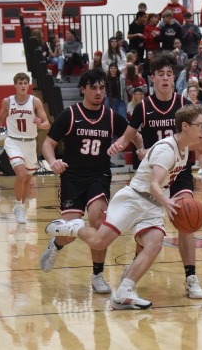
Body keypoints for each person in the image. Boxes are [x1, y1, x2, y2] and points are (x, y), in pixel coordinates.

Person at [46, 103, 202, 309]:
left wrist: (162, 201)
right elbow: (154, 184)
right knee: (99, 242)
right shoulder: (167, 150)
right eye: (200, 125)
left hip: (152, 206)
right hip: (134, 199)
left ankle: (124, 292)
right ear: (185, 126)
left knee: (154, 244)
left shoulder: (182, 150)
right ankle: (71, 227)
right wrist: (167, 201)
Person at [107, 54, 202, 299]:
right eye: (160, 74)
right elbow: (128, 136)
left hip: (179, 171)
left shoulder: (183, 105)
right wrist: (119, 145)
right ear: (152, 78)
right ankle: (132, 272)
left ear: (174, 78)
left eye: (169, 74)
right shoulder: (143, 107)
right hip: (155, 172)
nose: (165, 78)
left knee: (185, 217)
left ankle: (191, 277)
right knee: (146, 228)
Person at [39, 69, 142, 294]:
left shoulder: (111, 116)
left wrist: (139, 150)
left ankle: (97, 275)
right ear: (82, 89)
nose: (98, 92)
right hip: (72, 178)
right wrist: (53, 162)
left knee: (98, 221)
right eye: (93, 88)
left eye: (102, 88)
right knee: (70, 232)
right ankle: (56, 244)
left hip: (99, 176)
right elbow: (48, 144)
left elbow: (135, 136)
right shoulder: (70, 114)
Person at [0, 73, 50, 224]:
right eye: (20, 83)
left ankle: (20, 206)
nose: (23, 85)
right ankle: (19, 206)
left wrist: (40, 124)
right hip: (13, 142)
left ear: (28, 85)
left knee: (28, 178)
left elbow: (47, 124)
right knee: (21, 174)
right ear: (15, 85)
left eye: (25, 83)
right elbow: (0, 118)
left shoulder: (35, 101)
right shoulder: (7, 101)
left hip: (30, 143)